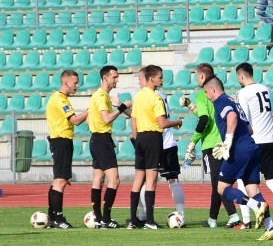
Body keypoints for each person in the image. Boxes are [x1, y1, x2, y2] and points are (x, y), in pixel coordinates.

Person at [202, 76, 273, 241]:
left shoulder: (221, 102)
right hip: (252, 148)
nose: (207, 96)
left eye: (206, 92)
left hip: (238, 151)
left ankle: (256, 206)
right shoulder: (233, 101)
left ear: (213, 90)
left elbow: (232, 118)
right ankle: (270, 228)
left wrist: (228, 141)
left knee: (222, 188)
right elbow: (249, 128)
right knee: (253, 190)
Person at [235, 62, 273, 229]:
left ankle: (246, 220)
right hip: (270, 139)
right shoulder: (265, 89)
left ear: (241, 76)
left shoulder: (243, 92)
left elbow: (244, 119)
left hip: (255, 140)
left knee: (243, 179)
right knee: (271, 179)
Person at [183, 63, 240, 228]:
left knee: (218, 184)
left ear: (201, 77)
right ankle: (212, 219)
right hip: (223, 143)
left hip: (210, 145)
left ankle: (233, 215)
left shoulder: (202, 95)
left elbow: (204, 120)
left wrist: (193, 141)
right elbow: (209, 116)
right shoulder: (219, 95)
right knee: (218, 182)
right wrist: (190, 106)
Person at [128, 65, 183, 229]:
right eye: (160, 77)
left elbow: (134, 119)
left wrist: (137, 139)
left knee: (138, 180)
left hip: (140, 138)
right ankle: (150, 221)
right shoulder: (155, 98)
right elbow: (162, 123)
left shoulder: (138, 96)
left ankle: (133, 220)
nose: (162, 80)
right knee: (151, 181)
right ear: (151, 79)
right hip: (153, 137)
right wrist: (178, 122)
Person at [87, 65, 131, 229]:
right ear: (105, 78)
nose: (117, 79)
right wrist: (121, 107)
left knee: (98, 180)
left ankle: (98, 218)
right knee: (114, 180)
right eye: (114, 77)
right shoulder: (101, 97)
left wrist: (118, 105)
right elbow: (106, 119)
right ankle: (106, 218)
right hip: (102, 141)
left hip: (96, 139)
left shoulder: (99, 96)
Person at [45, 70, 89, 229]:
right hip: (61, 140)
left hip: (61, 140)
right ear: (66, 82)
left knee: (58, 179)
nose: (77, 86)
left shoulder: (61, 98)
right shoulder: (60, 100)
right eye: (75, 82)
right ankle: (57, 218)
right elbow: (75, 120)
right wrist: (91, 110)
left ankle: (52, 216)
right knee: (60, 181)